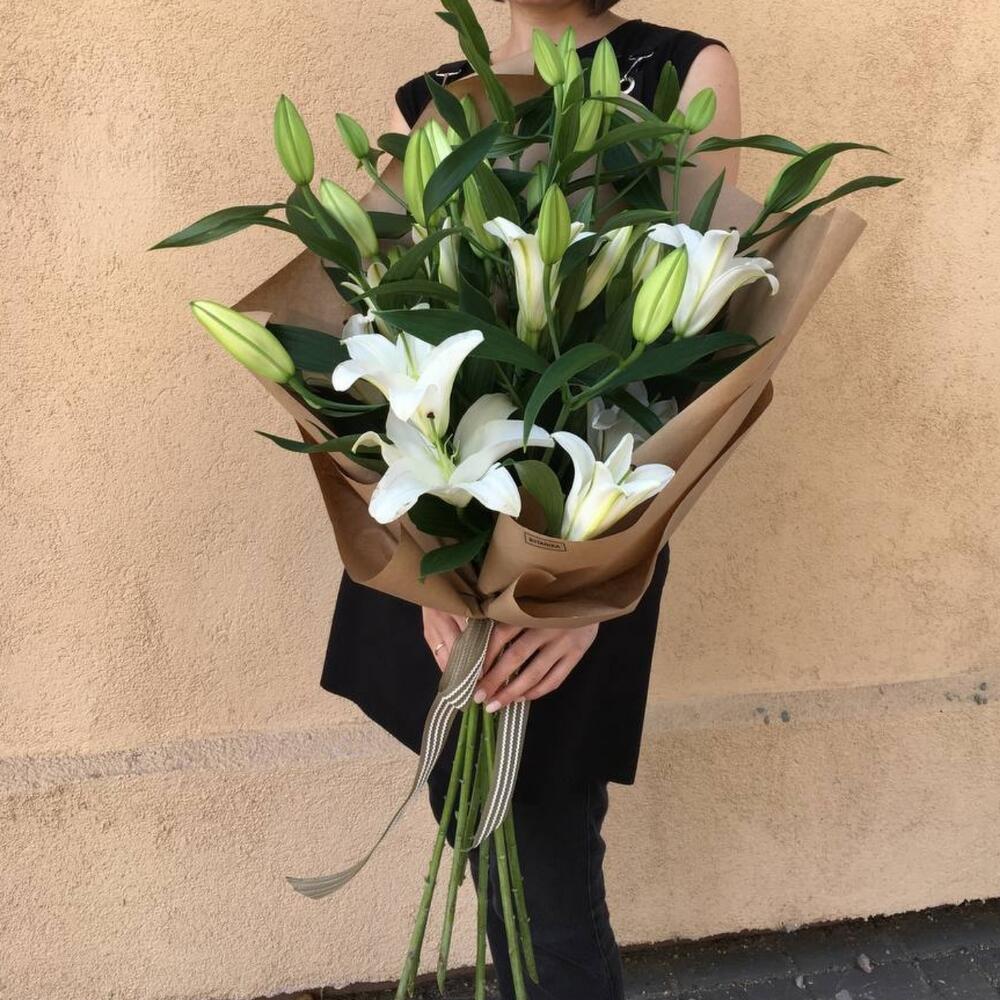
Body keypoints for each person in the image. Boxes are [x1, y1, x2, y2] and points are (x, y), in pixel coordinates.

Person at [321, 3, 742, 997]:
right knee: (480, 835)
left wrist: (589, 591)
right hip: (441, 541)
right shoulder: (439, 100)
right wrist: (423, 573)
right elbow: (373, 318)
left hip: (589, 541)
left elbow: (702, 340)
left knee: (547, 875)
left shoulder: (678, 69)